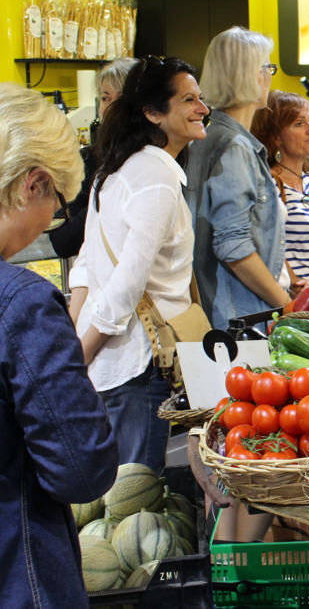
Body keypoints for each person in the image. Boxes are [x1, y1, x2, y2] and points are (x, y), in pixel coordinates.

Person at [0, 82, 118, 607]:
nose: (52, 220)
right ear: (33, 183)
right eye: (58, 202)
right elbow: (81, 468)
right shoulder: (22, 303)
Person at [68, 56, 209, 473]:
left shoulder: (114, 168)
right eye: (188, 99)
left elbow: (85, 266)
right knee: (137, 499)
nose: (202, 108)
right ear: (152, 112)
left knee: (114, 504)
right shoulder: (156, 178)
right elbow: (128, 281)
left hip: (109, 363)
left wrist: (79, 350)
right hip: (140, 361)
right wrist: (81, 355)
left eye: (201, 98)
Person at [185, 27, 290, 330]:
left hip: (222, 311)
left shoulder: (206, 138)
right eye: (268, 68)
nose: (269, 77)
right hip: (242, 316)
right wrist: (285, 303)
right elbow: (234, 247)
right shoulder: (234, 148)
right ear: (255, 75)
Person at [48, 57, 139, 258]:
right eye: (106, 98)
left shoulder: (156, 159)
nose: (111, 107)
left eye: (121, 98)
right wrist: (105, 195)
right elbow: (62, 241)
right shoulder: (88, 160)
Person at [252, 90, 309, 293]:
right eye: (299, 124)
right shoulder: (268, 183)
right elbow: (269, 247)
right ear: (275, 137)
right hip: (286, 301)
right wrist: (296, 283)